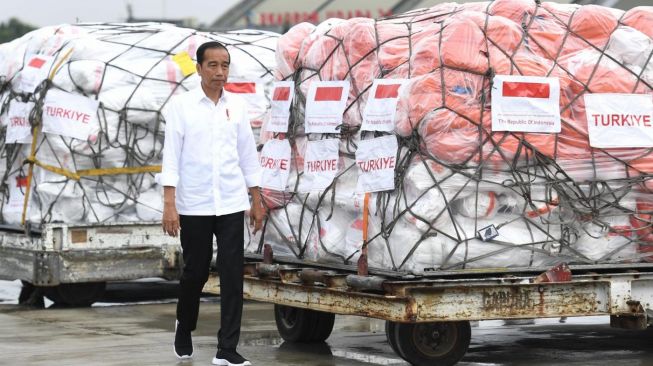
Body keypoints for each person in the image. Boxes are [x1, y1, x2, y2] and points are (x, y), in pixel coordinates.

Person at [161, 41, 264, 366]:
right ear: (199, 68)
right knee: (196, 272)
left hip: (231, 202)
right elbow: (171, 156)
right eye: (213, 65)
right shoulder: (182, 107)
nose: (220, 72)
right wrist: (169, 202)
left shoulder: (237, 106)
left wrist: (256, 197)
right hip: (195, 204)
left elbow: (247, 152)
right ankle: (184, 324)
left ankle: (227, 349)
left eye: (225, 65)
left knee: (233, 274)